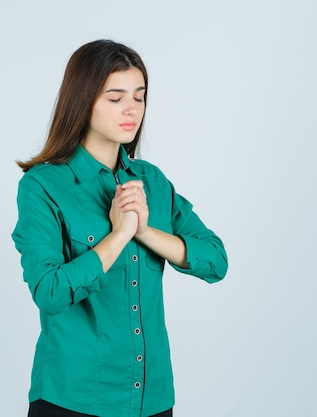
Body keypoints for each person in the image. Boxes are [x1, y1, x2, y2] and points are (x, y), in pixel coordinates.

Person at [12, 39, 228, 417]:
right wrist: (118, 236)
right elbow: (48, 291)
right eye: (115, 98)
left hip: (152, 399)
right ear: (82, 101)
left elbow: (216, 260)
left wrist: (144, 231)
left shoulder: (153, 183)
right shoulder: (43, 186)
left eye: (139, 97)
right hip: (74, 399)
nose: (132, 110)